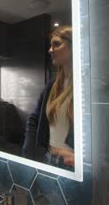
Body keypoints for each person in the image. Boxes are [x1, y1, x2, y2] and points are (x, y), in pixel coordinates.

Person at [22, 26, 74, 170]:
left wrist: (83, 157)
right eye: (51, 45)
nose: (50, 50)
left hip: (70, 166)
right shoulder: (52, 85)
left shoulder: (85, 86)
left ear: (73, 46)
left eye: (56, 44)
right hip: (48, 159)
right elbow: (34, 119)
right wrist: (29, 153)